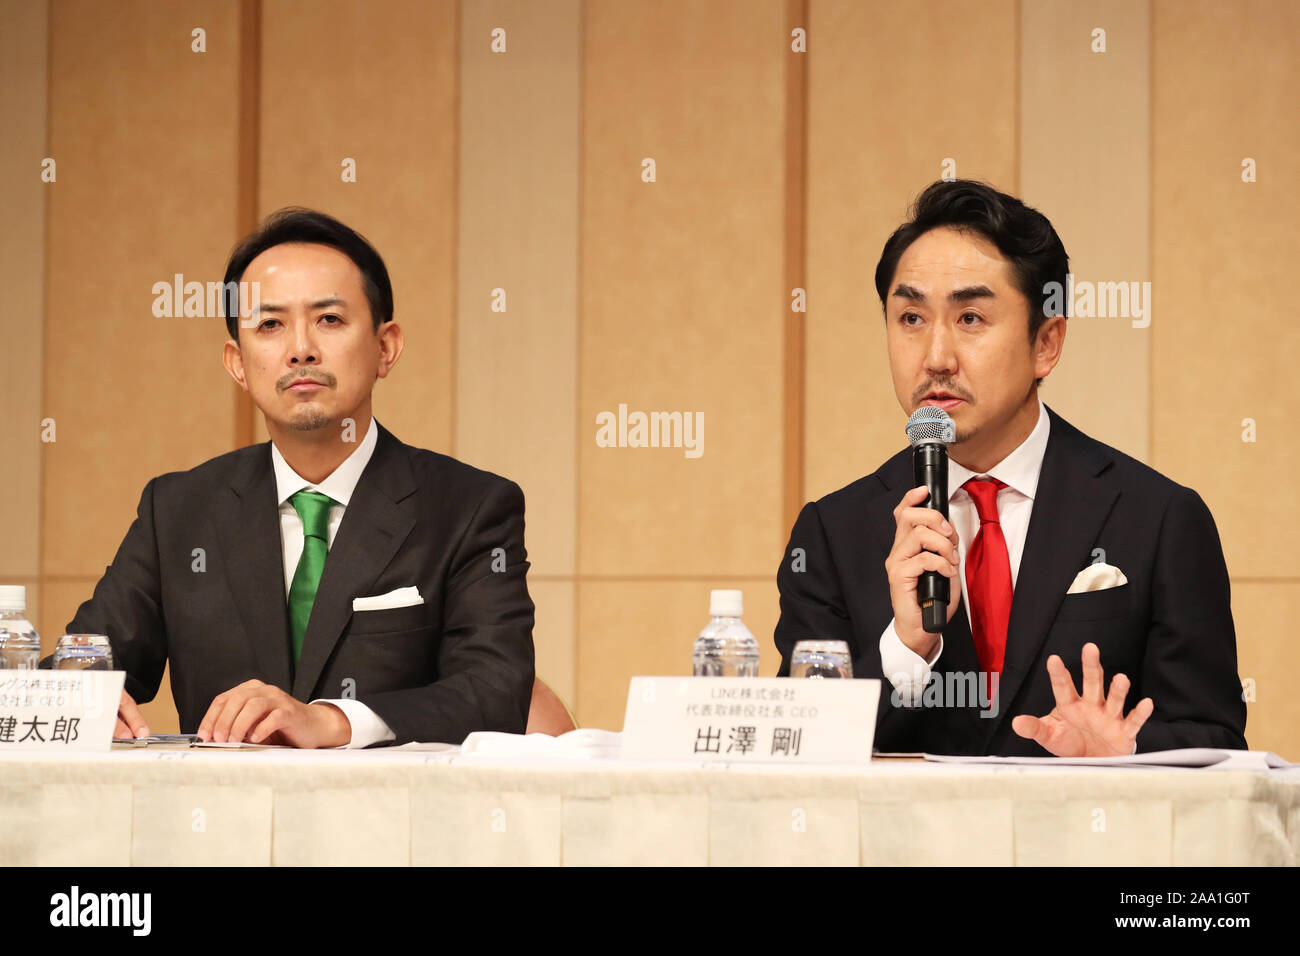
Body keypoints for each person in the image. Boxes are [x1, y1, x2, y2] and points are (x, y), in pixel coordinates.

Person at [774, 180, 1246, 757]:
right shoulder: (832, 533)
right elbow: (796, 753)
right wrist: (907, 646)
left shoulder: (1159, 519)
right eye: (911, 318)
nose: (936, 358)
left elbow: (1214, 741)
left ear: (1046, 342)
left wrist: (1127, 757)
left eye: (971, 318)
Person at [55, 208, 535, 748]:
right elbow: (88, 659)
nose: (300, 348)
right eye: (270, 324)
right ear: (238, 363)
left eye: (329, 320)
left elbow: (495, 692)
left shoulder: (470, 507)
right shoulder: (179, 510)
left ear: (386, 347)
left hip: (395, 823)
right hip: (215, 822)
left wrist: (333, 721)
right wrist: (79, 698)